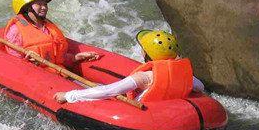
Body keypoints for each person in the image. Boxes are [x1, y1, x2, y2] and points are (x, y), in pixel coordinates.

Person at [54, 29, 204, 104]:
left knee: (98, 88)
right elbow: (200, 87)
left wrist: (69, 95)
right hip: (170, 115)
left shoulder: (144, 77)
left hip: (145, 118)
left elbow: (108, 91)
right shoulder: (187, 77)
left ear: (147, 53)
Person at [4, 0, 99, 68]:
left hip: (58, 75)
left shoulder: (49, 28)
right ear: (27, 8)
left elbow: (59, 59)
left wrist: (76, 57)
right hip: (37, 79)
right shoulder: (15, 32)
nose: (44, 7)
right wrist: (29, 62)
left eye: (45, 4)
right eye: (39, 4)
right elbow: (14, 66)